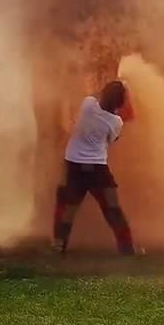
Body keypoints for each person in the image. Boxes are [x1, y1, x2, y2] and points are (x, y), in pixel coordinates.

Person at [52, 79, 138, 255]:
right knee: (113, 208)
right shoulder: (115, 122)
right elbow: (111, 140)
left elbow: (96, 94)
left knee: (68, 208)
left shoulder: (88, 104)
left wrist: (115, 86)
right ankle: (127, 248)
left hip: (73, 165)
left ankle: (59, 245)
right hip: (97, 169)